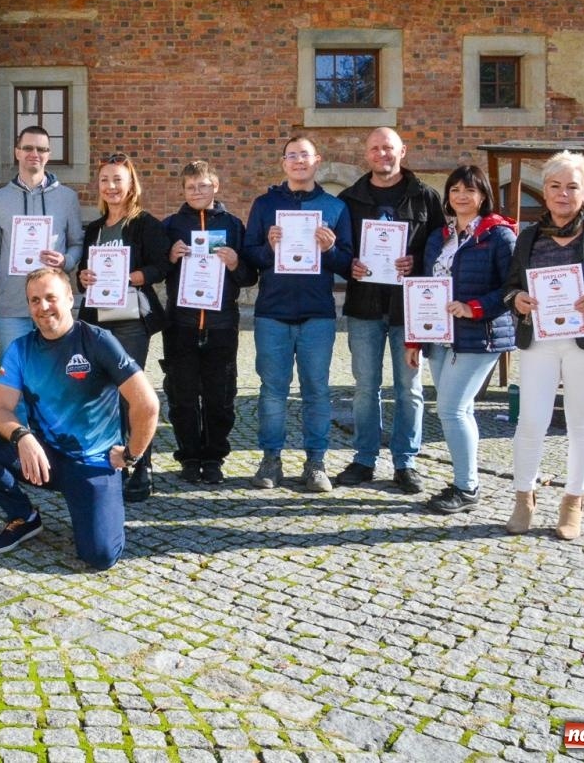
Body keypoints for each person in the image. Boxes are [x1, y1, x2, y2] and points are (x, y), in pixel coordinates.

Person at [0, 268, 159, 571]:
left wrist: (131, 455)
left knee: (100, 556)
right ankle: (24, 516)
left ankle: (97, 507)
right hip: (45, 459)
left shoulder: (97, 341)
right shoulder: (21, 349)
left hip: (93, 464)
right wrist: (22, 436)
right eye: (34, 300)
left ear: (70, 298)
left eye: (51, 298)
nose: (43, 307)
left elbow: (147, 404)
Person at [501, 151, 584, 540]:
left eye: (572, 187)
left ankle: (572, 501)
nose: (563, 194)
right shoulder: (528, 237)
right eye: (555, 186)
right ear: (544, 192)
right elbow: (510, 287)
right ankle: (523, 497)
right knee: (530, 421)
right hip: (539, 340)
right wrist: (518, 300)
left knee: (581, 424)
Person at [337, 127, 446, 494]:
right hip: (364, 306)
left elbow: (441, 251)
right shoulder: (350, 199)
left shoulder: (427, 198)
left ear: (403, 151)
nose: (382, 154)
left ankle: (406, 462)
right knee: (366, 387)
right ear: (366, 154)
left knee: (410, 388)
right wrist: (347, 265)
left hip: (410, 309)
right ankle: (364, 459)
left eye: (388, 148)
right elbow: (339, 251)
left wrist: (416, 262)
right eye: (375, 148)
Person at [242, 136, 353, 493]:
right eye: (292, 156)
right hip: (272, 311)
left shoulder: (334, 207)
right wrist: (268, 246)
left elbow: (350, 264)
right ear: (283, 162)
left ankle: (316, 462)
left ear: (316, 160)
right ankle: (270, 460)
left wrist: (332, 248)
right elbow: (250, 257)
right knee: (272, 391)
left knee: (316, 391)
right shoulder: (265, 204)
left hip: (317, 312)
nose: (299, 161)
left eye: (305, 155)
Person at [404, 165, 517, 515]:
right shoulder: (439, 236)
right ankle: (463, 482)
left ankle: (467, 488)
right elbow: (424, 286)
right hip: (439, 336)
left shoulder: (499, 235)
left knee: (451, 409)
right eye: (454, 190)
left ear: (483, 195)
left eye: (469, 190)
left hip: (480, 335)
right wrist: (415, 340)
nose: (461, 196)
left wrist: (475, 308)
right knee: (459, 410)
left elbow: (513, 286)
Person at [76, 153, 169, 502]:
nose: (111, 187)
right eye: (105, 180)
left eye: (118, 179)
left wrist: (136, 276)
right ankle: (113, 461)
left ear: (131, 184)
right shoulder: (94, 229)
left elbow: (162, 265)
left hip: (130, 319)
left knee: (133, 394)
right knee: (101, 393)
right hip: (97, 320)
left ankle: (142, 465)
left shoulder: (145, 224)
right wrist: (82, 277)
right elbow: (84, 274)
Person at [160, 160, 256, 485]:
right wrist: (170, 258)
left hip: (221, 324)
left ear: (215, 186)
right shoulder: (171, 225)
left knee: (220, 396)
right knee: (182, 396)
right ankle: (189, 457)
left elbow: (249, 277)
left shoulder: (233, 225)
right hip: (181, 324)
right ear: (183, 190)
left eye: (203, 185)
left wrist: (235, 263)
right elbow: (158, 269)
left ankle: (214, 458)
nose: (197, 191)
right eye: (190, 187)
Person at [0, 126, 85, 348]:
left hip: (53, 304)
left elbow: (77, 243)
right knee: (14, 376)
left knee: (56, 373)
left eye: (41, 149)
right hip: (11, 306)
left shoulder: (67, 198)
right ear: (17, 152)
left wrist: (65, 261)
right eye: (28, 147)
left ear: (48, 154)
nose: (34, 154)